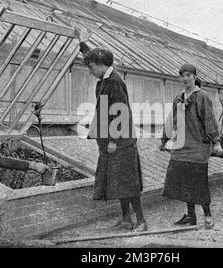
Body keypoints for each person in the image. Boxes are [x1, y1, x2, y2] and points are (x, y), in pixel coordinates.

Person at [75, 28, 147, 232]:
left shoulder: (114, 81)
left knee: (129, 182)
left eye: (90, 67)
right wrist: (82, 43)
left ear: (99, 65)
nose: (89, 71)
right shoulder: (105, 78)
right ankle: (126, 219)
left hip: (121, 143)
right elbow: (92, 58)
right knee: (118, 182)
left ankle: (141, 221)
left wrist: (114, 139)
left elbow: (121, 112)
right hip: (111, 141)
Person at [159, 64, 222, 230]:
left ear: (194, 76)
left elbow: (209, 120)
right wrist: (164, 139)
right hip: (181, 146)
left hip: (199, 146)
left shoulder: (202, 96)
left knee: (198, 182)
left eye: (188, 75)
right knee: (183, 180)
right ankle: (191, 216)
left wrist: (216, 142)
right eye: (182, 75)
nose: (185, 78)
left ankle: (207, 215)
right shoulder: (178, 97)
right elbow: (171, 119)